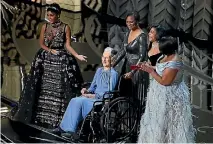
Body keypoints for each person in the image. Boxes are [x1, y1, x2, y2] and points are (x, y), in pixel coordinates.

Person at [10, 3, 87, 128]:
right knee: (40, 86)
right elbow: (41, 44)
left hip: (60, 56)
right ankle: (40, 116)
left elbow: (67, 45)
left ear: (58, 15)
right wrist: (49, 50)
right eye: (48, 15)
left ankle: (59, 118)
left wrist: (77, 56)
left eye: (52, 15)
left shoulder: (65, 27)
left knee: (61, 85)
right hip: (45, 57)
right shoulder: (45, 26)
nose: (50, 17)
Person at [50, 47, 119, 139]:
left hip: (101, 100)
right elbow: (93, 86)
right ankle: (63, 128)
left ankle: (71, 131)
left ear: (112, 59)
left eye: (107, 58)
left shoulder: (114, 74)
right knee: (74, 100)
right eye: (103, 57)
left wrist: (91, 95)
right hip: (92, 97)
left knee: (79, 102)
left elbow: (109, 93)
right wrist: (86, 91)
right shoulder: (99, 70)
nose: (104, 59)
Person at [137, 36, 195, 143]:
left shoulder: (175, 62)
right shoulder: (166, 55)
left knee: (168, 124)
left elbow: (165, 81)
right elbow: (162, 68)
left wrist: (150, 71)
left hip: (170, 97)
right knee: (156, 122)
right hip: (158, 96)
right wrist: (148, 66)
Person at [112, 11, 148, 114]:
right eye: (127, 22)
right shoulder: (129, 32)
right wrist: (113, 63)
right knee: (123, 94)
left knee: (134, 96)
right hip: (126, 65)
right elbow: (123, 50)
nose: (128, 24)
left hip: (135, 69)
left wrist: (132, 72)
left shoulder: (142, 36)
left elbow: (142, 56)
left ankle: (135, 122)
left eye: (131, 22)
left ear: (137, 22)